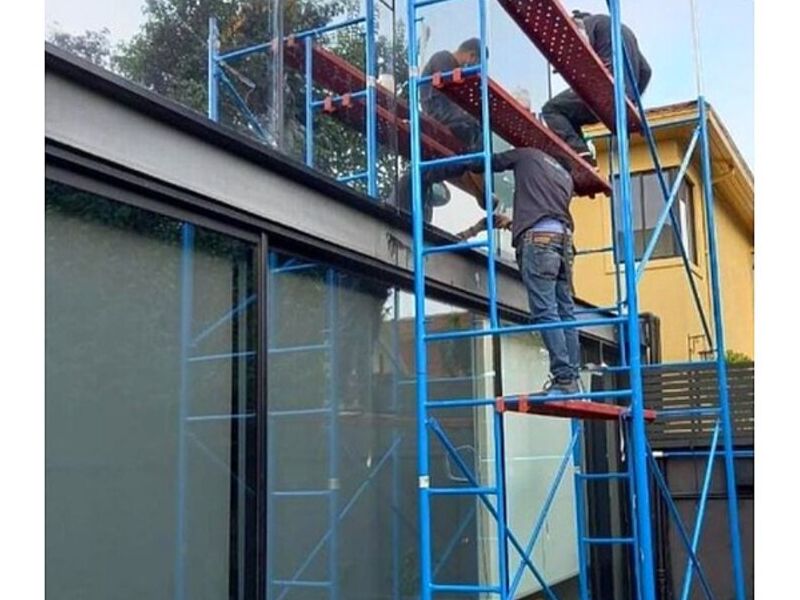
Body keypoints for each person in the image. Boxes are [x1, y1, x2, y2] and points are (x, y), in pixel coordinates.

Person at [463, 147, 582, 394]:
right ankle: (572, 378)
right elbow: (543, 210)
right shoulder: (566, 178)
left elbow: (491, 161)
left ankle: (563, 378)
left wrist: (464, 161)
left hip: (539, 242)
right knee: (566, 312)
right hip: (563, 243)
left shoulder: (528, 155)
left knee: (546, 311)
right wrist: (511, 223)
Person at [542, 10, 652, 166]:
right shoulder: (624, 31)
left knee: (552, 109)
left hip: (604, 87)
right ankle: (584, 153)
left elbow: (582, 40)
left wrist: (567, 63)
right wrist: (632, 99)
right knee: (570, 115)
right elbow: (646, 71)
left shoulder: (587, 23)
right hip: (621, 95)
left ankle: (580, 152)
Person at [420, 38, 485, 151]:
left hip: (446, 110)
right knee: (474, 121)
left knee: (479, 124)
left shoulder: (451, 66)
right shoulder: (443, 58)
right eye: (476, 63)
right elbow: (451, 88)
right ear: (472, 56)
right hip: (437, 109)